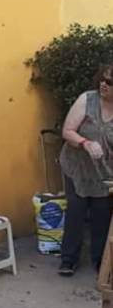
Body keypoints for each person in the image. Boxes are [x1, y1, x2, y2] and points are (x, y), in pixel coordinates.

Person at [58, 64, 113, 276]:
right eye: (102, 79)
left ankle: (101, 262)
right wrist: (85, 143)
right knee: (76, 211)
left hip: (105, 173)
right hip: (77, 167)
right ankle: (68, 259)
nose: (103, 84)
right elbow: (67, 130)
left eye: (109, 82)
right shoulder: (87, 99)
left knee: (101, 216)